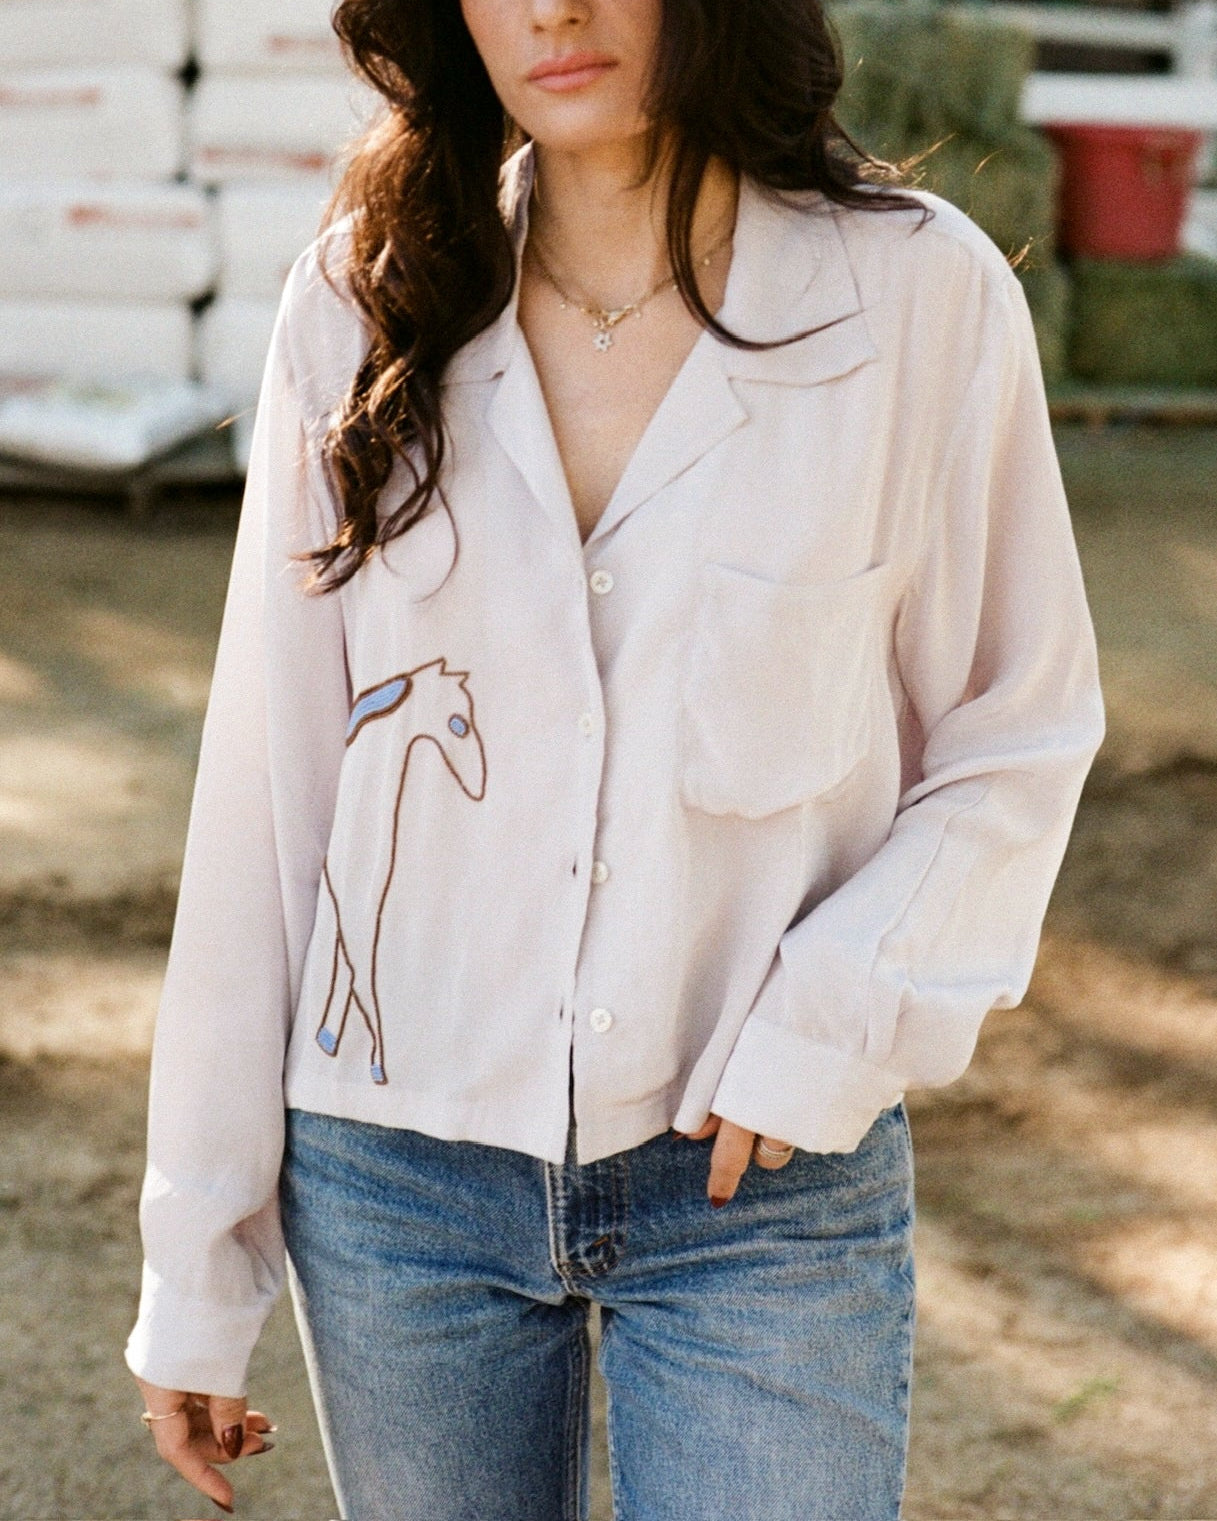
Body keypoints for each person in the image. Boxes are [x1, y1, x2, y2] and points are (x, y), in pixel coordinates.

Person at [124, 0, 1106, 1515]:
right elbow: (270, 800)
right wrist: (197, 1262)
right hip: (398, 1178)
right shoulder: (360, 303)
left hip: (755, 1178)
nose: (552, 10)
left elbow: (1013, 731)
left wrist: (828, 1026)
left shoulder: (917, 301)